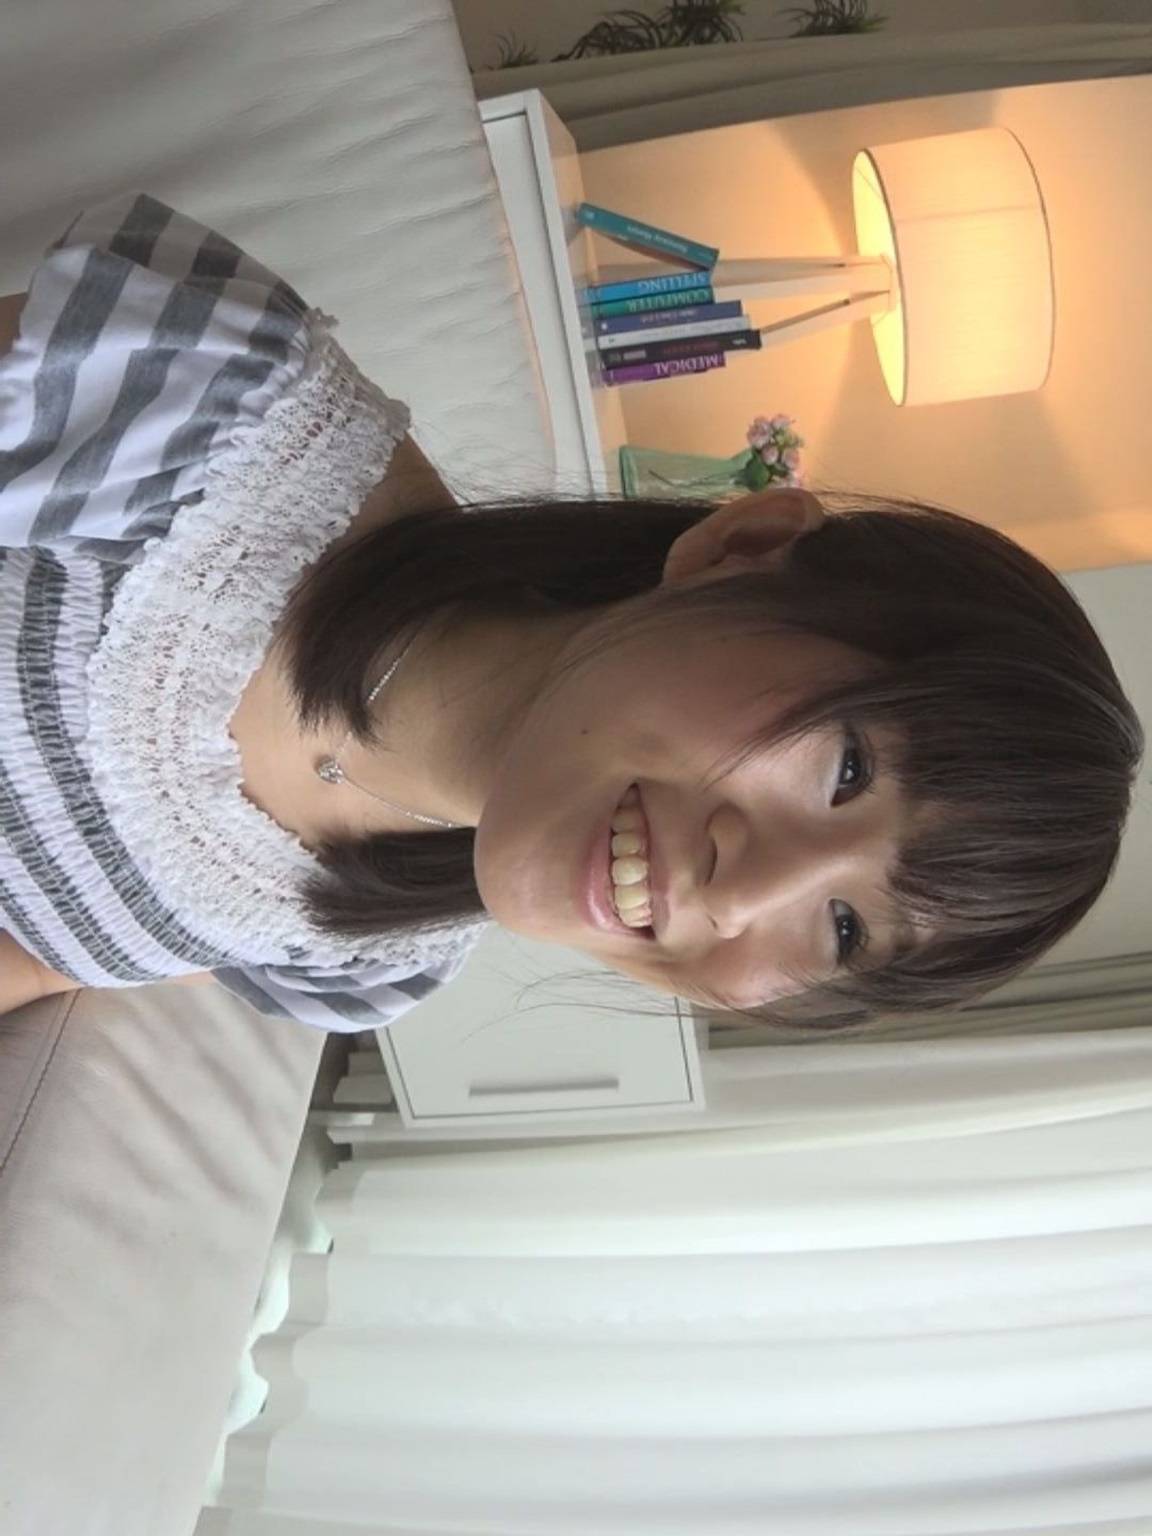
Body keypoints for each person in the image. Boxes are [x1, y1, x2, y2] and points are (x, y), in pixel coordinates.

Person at [0, 192, 1142, 1034]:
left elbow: (40, 965)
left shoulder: (369, 964)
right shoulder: (209, 410)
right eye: (847, 768)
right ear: (743, 548)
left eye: (845, 932)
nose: (743, 893)